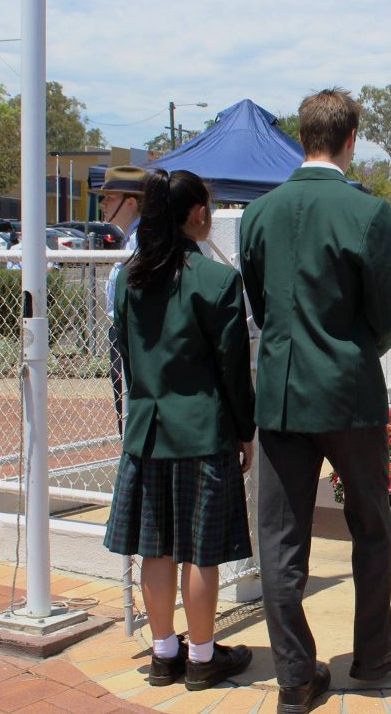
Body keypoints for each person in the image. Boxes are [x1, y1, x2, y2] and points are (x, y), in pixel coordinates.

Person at [240, 88, 391, 714]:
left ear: (301, 136)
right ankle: (373, 652)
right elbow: (387, 313)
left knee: (282, 541)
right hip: (348, 392)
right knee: (371, 525)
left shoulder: (260, 214)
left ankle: (295, 676)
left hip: (282, 396)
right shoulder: (366, 214)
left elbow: (261, 305)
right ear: (350, 139)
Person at [103, 169, 256, 688]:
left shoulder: (128, 279)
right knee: (200, 550)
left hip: (146, 431)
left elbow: (123, 351)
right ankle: (203, 658)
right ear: (197, 214)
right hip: (203, 431)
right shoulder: (217, 281)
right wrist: (245, 430)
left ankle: (164, 653)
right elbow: (233, 369)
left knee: (157, 546)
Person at [87, 166, 145, 436]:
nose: (103, 204)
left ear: (130, 202)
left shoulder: (139, 240)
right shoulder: (132, 238)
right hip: (123, 331)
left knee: (130, 414)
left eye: (110, 198)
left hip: (131, 333)